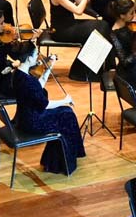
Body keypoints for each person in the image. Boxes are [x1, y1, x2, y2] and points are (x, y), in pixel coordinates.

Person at [9, 42, 85, 175]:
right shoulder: (27, 81)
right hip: (33, 122)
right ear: (29, 58)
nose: (38, 56)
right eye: (35, 54)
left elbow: (37, 87)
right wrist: (65, 101)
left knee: (66, 113)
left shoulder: (19, 74)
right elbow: (45, 104)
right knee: (67, 115)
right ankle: (62, 163)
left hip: (24, 117)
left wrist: (50, 67)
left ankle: (55, 161)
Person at [46, 0, 112, 79]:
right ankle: (79, 71)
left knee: (103, 25)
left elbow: (82, 2)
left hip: (70, 24)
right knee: (99, 31)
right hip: (61, 31)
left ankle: (106, 66)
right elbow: (78, 11)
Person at [107, 0, 136, 88]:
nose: (134, 15)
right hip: (130, 72)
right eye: (131, 13)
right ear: (122, 16)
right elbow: (125, 61)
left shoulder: (129, 25)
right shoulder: (114, 35)